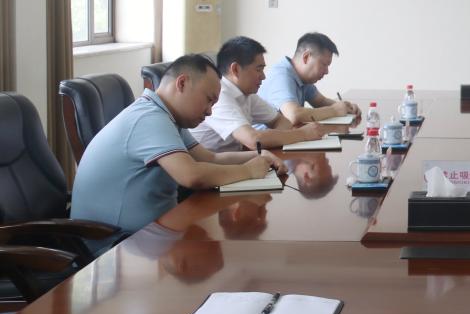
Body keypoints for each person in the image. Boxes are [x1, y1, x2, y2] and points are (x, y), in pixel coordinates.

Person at [70, 54, 286, 235]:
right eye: (208, 99)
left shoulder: (166, 117)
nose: (209, 111)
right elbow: (191, 175)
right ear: (182, 83)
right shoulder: (149, 118)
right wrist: (248, 171)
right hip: (115, 245)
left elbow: (210, 158)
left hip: (153, 232)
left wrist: (258, 156)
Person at [191, 36, 335, 151]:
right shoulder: (220, 96)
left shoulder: (247, 94)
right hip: (213, 171)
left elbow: (281, 121)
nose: (264, 76)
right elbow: (254, 140)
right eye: (258, 69)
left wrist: (270, 138)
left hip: (236, 161)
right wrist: (302, 134)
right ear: (235, 70)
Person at [258, 32, 360, 124]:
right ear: (306, 57)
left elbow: (321, 101)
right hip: (266, 138)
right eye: (324, 64)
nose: (327, 71)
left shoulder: (302, 78)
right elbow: (294, 115)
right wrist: (335, 110)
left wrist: (346, 107)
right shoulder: (281, 76)